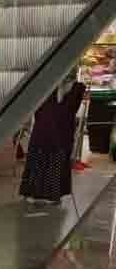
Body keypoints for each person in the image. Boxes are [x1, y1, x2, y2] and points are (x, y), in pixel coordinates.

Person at [21, 75, 85, 204]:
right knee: (41, 157)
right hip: (46, 131)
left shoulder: (76, 88)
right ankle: (36, 192)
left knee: (54, 157)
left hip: (58, 132)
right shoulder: (42, 86)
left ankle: (49, 194)